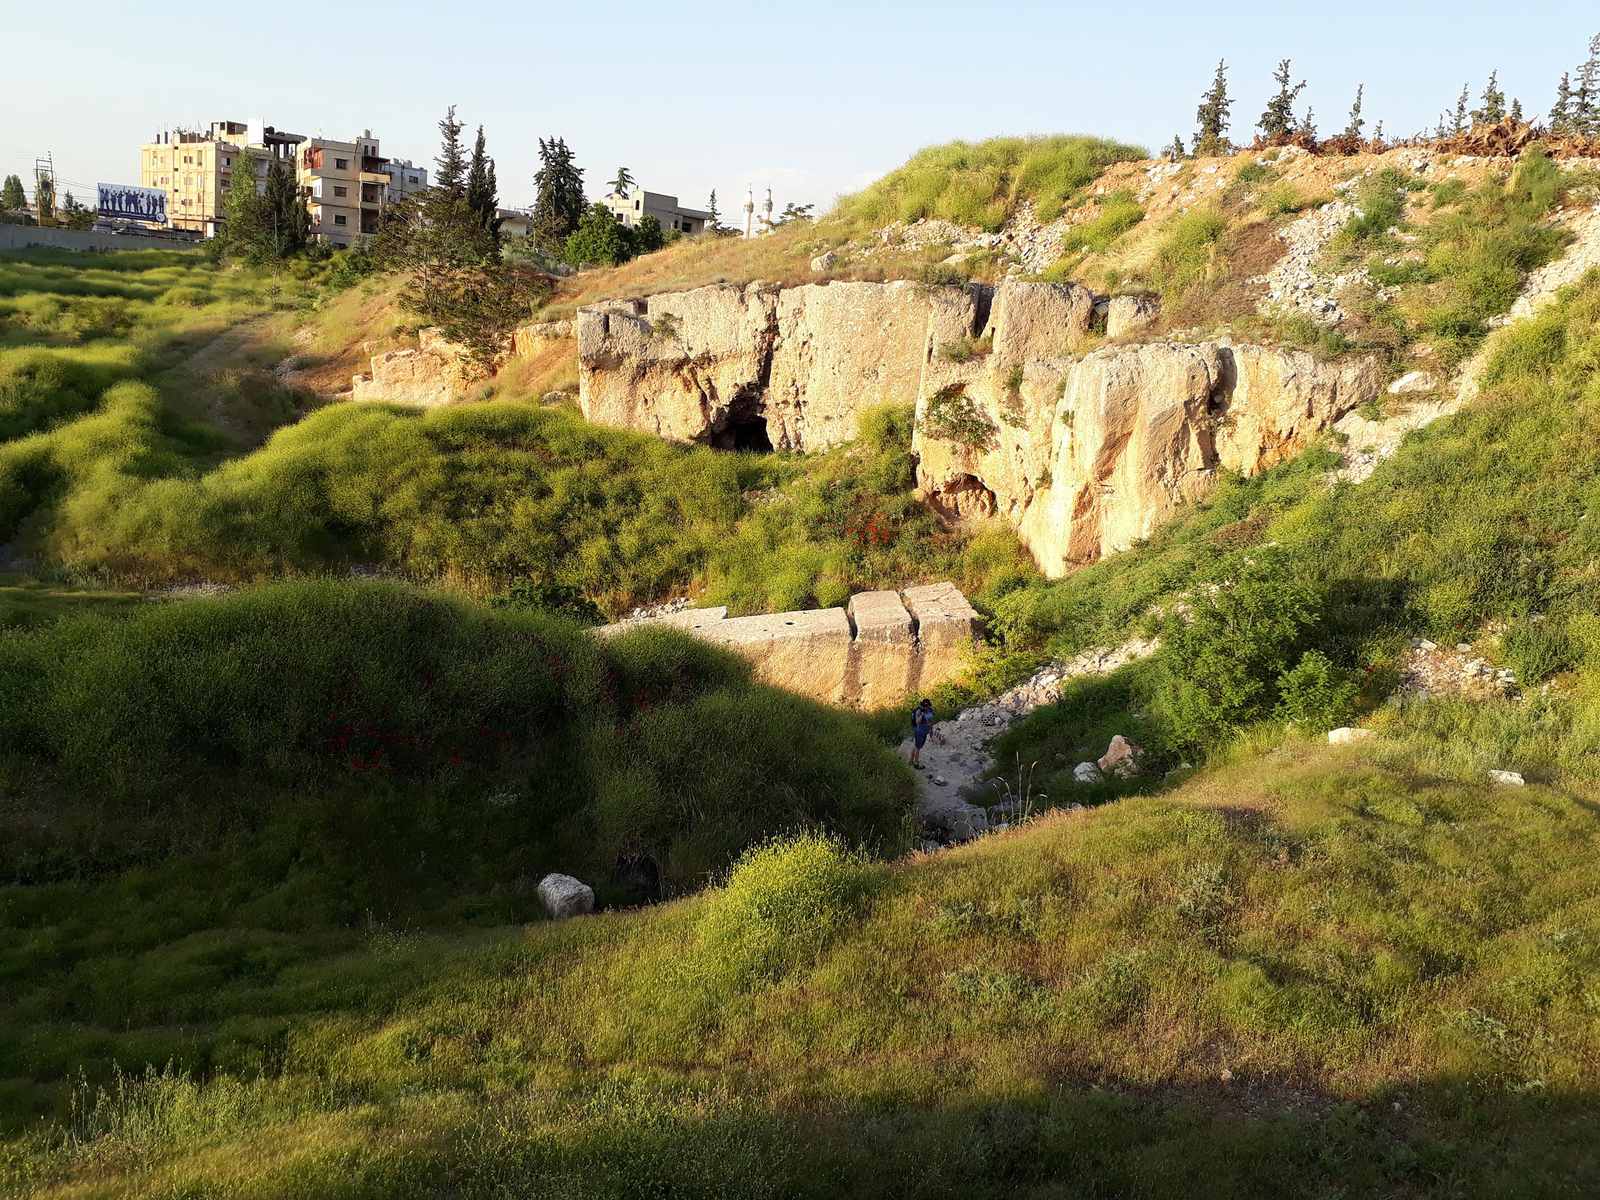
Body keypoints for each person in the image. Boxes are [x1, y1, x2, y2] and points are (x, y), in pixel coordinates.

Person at [909, 698, 936, 769]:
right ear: (923, 705)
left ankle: (911, 761)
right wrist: (922, 714)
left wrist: (931, 732)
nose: (926, 707)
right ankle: (916, 763)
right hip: (919, 731)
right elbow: (917, 722)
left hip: (925, 732)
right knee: (917, 747)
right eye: (925, 706)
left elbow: (931, 722)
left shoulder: (930, 711)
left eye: (927, 706)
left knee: (916, 746)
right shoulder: (919, 711)